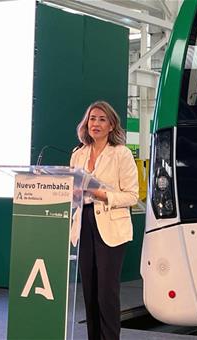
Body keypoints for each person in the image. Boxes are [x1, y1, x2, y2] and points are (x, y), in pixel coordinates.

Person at [70, 101, 139, 340]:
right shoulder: (77, 154)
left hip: (111, 226)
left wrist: (102, 194)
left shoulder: (122, 154)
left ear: (111, 125)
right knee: (89, 291)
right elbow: (73, 190)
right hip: (84, 222)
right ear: (86, 124)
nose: (95, 124)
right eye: (92, 119)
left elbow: (132, 195)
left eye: (101, 119)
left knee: (106, 293)